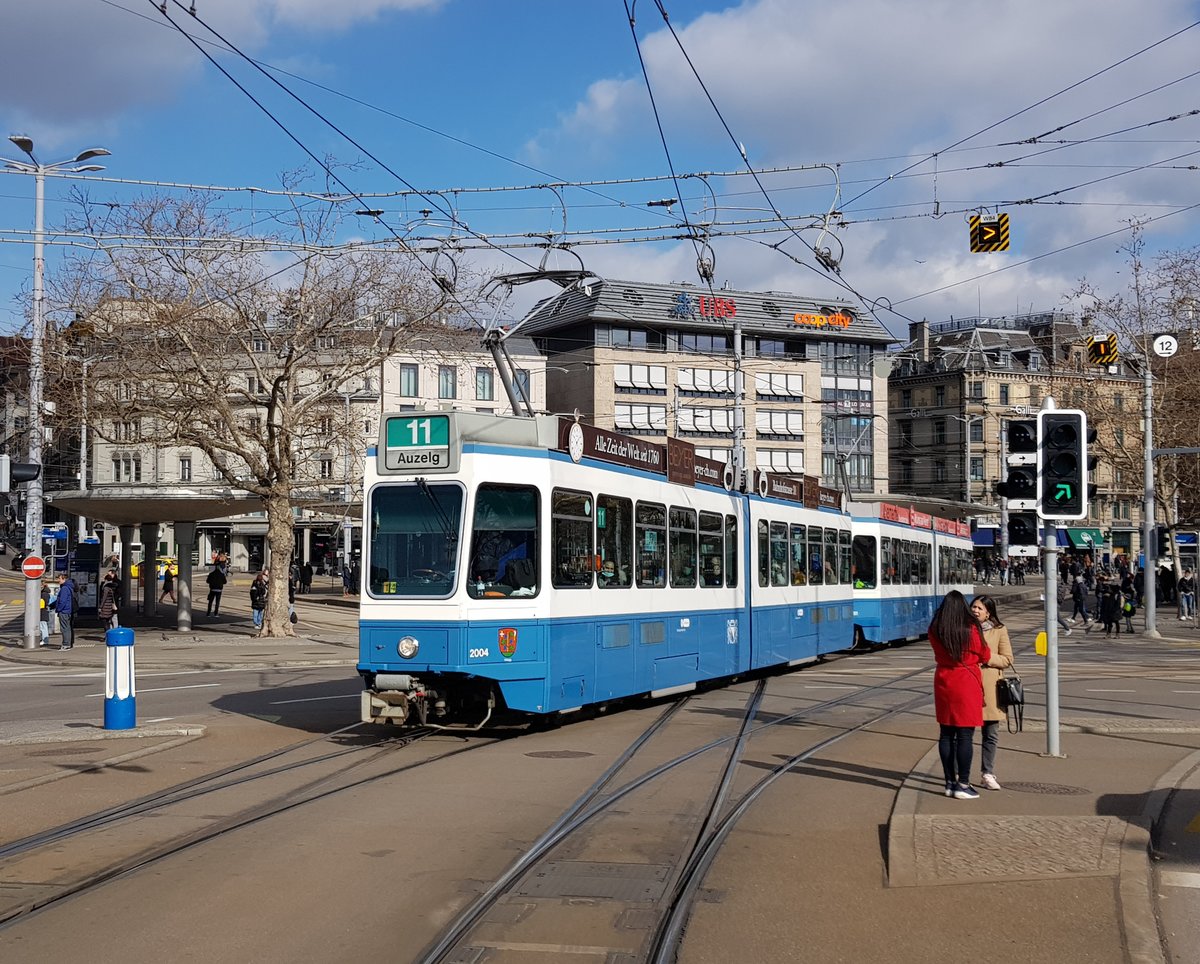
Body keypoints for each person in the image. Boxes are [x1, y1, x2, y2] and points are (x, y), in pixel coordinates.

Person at [928, 589, 991, 800]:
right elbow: (985, 654)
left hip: (944, 680)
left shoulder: (936, 628)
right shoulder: (970, 629)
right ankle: (963, 783)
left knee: (946, 734)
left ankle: (949, 782)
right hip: (966, 682)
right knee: (965, 735)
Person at [970, 594, 1014, 791]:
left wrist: (987, 658)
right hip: (969, 686)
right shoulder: (965, 628)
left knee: (990, 734)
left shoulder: (999, 630)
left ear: (988, 612)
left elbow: (1007, 659)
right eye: (973, 607)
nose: (975, 611)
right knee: (964, 734)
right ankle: (960, 773)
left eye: (979, 608)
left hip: (991, 689)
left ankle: (987, 773)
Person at [54, 572, 77, 652]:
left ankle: (66, 644)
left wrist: (58, 609)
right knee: (68, 628)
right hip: (69, 610)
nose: (58, 580)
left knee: (64, 628)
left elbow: (62, 601)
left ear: (64, 579)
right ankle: (68, 644)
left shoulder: (64, 588)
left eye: (59, 579)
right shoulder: (70, 587)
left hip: (64, 611)